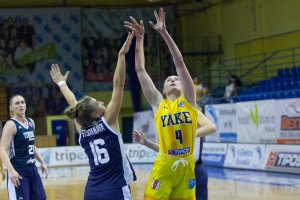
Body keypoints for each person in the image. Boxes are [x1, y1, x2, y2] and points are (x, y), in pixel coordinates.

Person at [124, 7, 201, 199]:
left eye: (176, 79)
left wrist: (164, 32)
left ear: (184, 86)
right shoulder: (159, 103)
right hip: (164, 165)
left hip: (187, 166)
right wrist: (140, 39)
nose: (174, 80)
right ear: (164, 90)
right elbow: (140, 70)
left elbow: (180, 62)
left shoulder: (190, 101)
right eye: (168, 80)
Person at [49, 32, 136, 200]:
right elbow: (118, 85)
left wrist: (61, 83)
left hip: (91, 191)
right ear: (96, 114)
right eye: (99, 103)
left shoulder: (82, 130)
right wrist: (121, 55)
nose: (103, 103)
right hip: (115, 189)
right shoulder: (108, 122)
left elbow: (73, 102)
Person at [132, 111, 216, 200]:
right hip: (173, 171)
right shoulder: (169, 120)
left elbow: (212, 127)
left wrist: (190, 135)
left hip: (194, 170)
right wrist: (146, 142)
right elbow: (166, 151)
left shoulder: (191, 111)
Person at [0, 94, 48, 200]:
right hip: (18, 170)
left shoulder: (31, 122)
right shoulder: (10, 125)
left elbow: (32, 145)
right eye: (17, 103)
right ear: (11, 108)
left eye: (22, 102)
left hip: (32, 169)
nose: (21, 105)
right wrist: (11, 171)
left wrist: (42, 162)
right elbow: (2, 149)